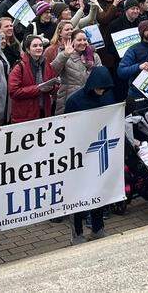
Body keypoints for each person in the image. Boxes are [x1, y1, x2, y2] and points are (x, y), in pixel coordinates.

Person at [63, 66, 117, 243]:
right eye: (99, 88)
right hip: (79, 154)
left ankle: (98, 227)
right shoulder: (75, 101)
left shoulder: (107, 97)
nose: (101, 92)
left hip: (99, 152)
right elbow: (67, 128)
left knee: (98, 191)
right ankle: (77, 233)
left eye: (104, 89)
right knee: (78, 194)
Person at [8, 35, 58, 123]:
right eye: (35, 46)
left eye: (40, 45)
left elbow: (54, 84)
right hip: (25, 115)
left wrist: (52, 88)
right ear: (28, 49)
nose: (38, 48)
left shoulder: (46, 65)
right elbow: (13, 91)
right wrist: (38, 89)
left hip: (44, 113)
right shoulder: (19, 67)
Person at [50, 29, 100, 114]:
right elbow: (54, 70)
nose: (83, 42)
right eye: (79, 40)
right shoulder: (65, 54)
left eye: (85, 40)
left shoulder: (94, 56)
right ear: (72, 41)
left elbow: (100, 75)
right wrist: (65, 55)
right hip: (69, 99)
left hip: (90, 98)